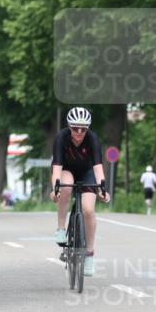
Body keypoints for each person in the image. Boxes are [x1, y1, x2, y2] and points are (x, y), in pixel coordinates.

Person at [50, 107, 111, 277]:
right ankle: (61, 227)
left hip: (87, 172)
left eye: (83, 129)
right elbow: (57, 168)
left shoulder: (92, 138)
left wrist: (103, 190)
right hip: (66, 170)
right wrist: (55, 189)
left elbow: (98, 169)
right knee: (66, 186)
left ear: (88, 129)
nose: (79, 132)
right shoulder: (61, 137)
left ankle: (90, 255)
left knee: (88, 210)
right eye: (75, 128)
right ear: (69, 126)